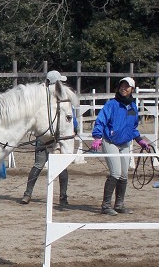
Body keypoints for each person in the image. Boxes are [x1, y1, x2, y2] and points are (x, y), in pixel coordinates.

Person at [90, 76, 150, 215]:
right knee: (116, 173)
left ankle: (119, 204)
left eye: (127, 86)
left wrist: (139, 139)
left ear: (132, 89)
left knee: (124, 175)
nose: (124, 88)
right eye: (122, 86)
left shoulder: (133, 107)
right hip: (110, 141)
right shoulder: (111, 104)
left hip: (125, 143)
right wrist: (97, 137)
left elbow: (133, 127)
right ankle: (105, 206)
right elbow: (101, 120)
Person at [19, 70, 77, 205]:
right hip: (43, 137)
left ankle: (63, 196)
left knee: (61, 167)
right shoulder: (41, 99)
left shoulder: (63, 98)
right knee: (39, 164)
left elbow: (69, 114)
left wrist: (74, 126)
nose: (62, 84)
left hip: (59, 137)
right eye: (59, 82)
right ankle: (27, 193)